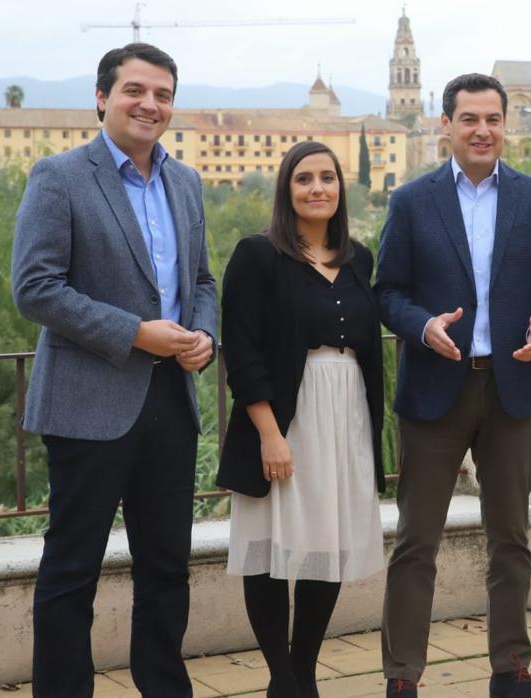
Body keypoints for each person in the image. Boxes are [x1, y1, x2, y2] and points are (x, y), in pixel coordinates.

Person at [11, 43, 217, 694]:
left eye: (161, 94)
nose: (148, 104)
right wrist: (135, 334)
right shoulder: (60, 175)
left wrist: (204, 332)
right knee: (72, 572)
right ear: (102, 97)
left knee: (167, 570)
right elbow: (35, 288)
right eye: (134, 90)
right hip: (87, 404)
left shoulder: (184, 182)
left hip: (170, 402)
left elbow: (202, 279)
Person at [375, 73, 531, 698]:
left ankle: (511, 670)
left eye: (493, 119)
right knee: (415, 544)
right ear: (446, 125)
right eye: (469, 119)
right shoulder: (412, 201)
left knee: (512, 538)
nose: (482, 130)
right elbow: (387, 293)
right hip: (435, 389)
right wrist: (421, 324)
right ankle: (402, 677)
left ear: (504, 124)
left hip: (512, 388)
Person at [219, 141, 386, 698]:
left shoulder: (359, 258)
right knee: (271, 547)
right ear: (286, 190)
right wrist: (270, 433)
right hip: (285, 414)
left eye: (328, 178)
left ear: (341, 187)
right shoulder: (257, 254)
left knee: (325, 544)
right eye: (304, 179)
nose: (318, 188)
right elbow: (240, 351)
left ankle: (305, 674)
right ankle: (281, 680)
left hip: (345, 412)